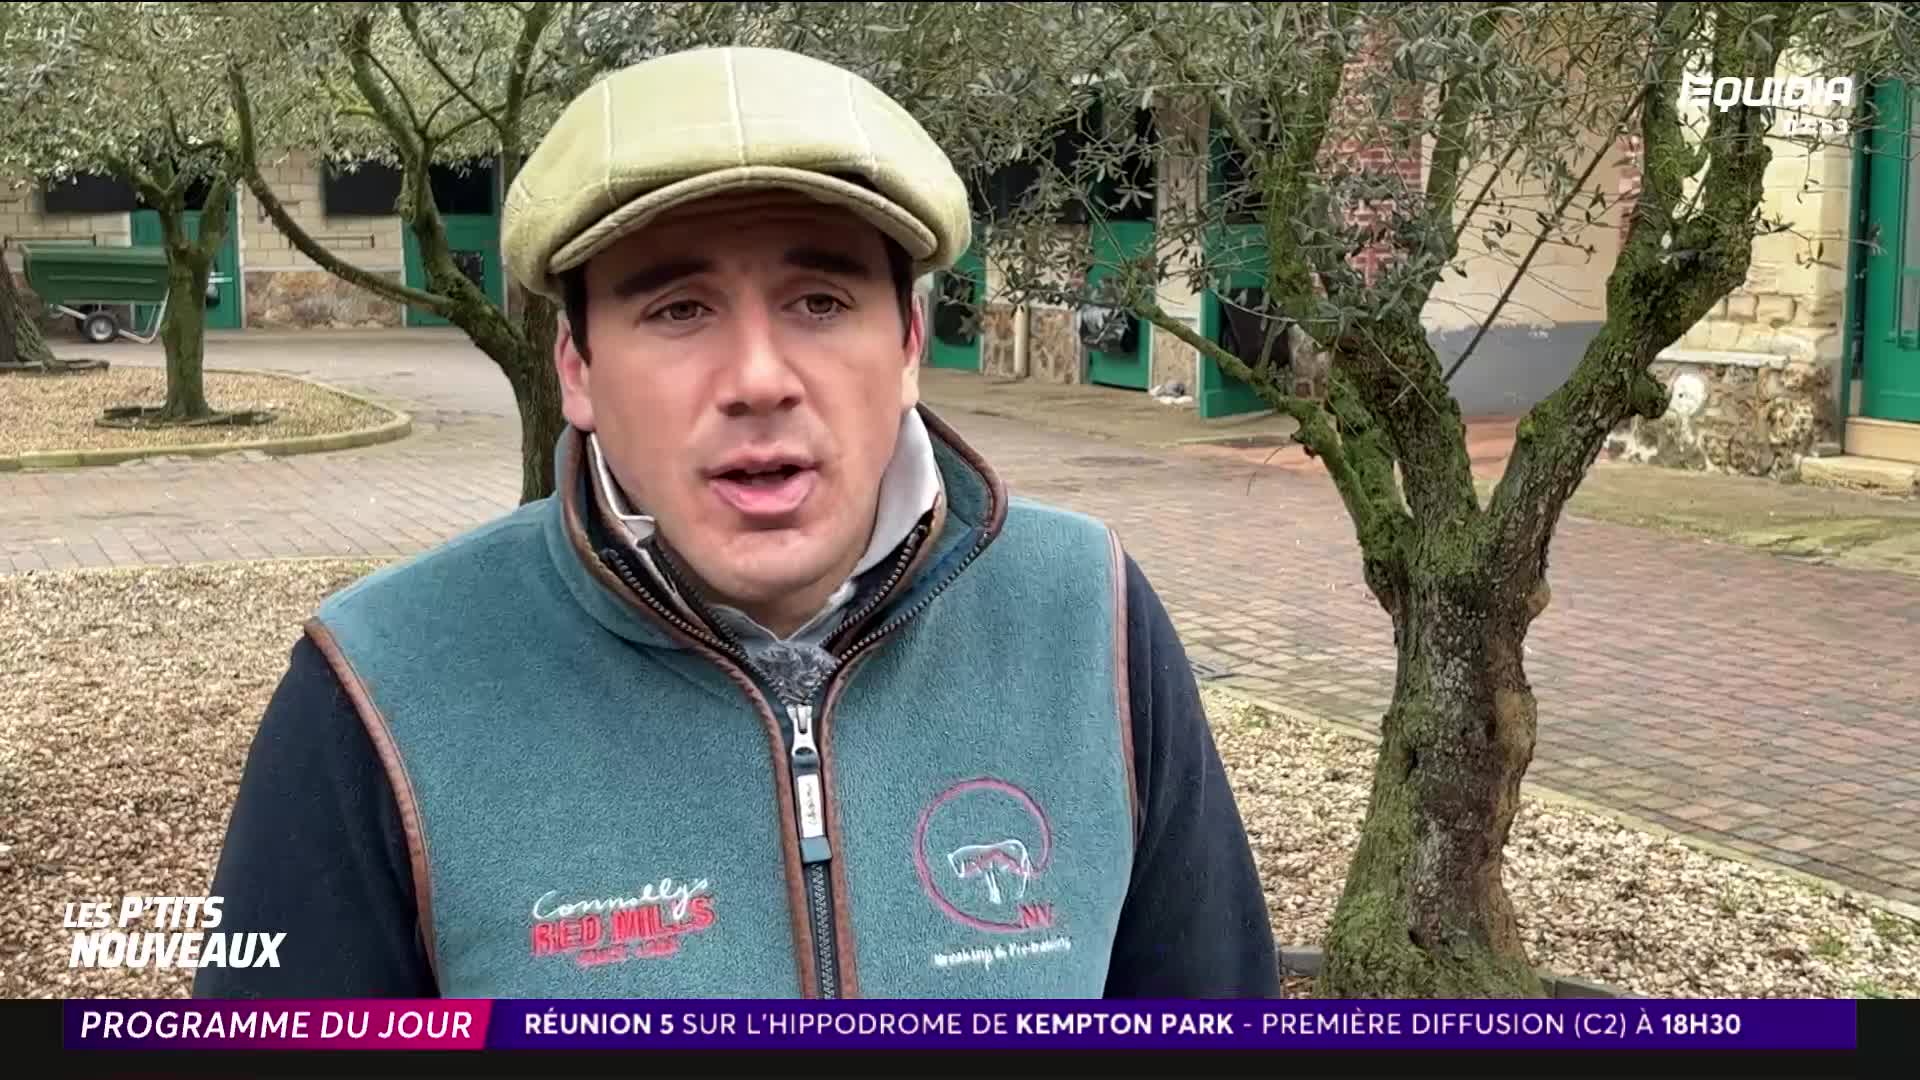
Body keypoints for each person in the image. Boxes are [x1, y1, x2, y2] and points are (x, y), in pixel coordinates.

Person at [195, 45, 1277, 1000]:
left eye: (818, 301)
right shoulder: (383, 685)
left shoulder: (1087, 615)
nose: (759, 377)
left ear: (906, 343)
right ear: (576, 368)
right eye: (677, 309)